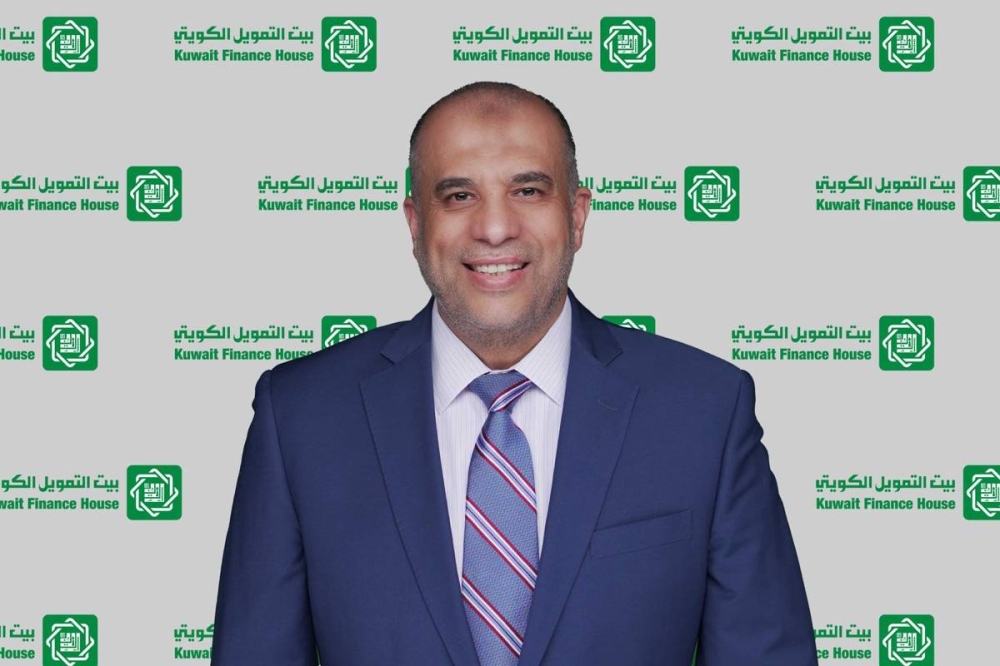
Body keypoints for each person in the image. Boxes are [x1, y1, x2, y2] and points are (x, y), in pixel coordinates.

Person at [211, 81, 818, 666]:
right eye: (458, 196)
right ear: (415, 225)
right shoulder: (301, 416)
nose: (495, 227)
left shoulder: (705, 411)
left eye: (527, 190)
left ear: (577, 216)